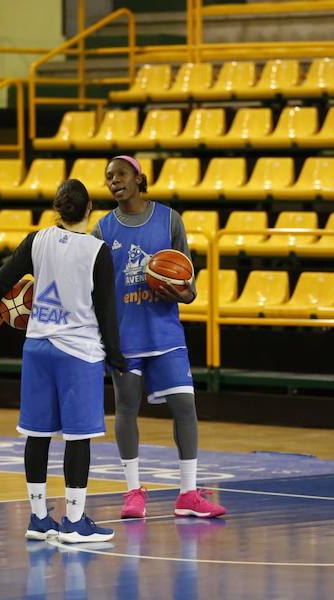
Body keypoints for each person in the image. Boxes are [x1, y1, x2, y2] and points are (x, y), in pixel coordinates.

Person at [0, 179, 126, 544]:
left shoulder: (37, 240)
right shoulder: (96, 250)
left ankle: (38, 518)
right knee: (78, 437)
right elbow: (106, 311)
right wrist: (116, 357)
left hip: (37, 347)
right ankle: (75, 521)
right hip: (78, 352)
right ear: (89, 208)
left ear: (57, 208)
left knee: (37, 434)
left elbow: (1, 280)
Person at [91, 155, 226, 519]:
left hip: (165, 334)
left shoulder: (169, 219)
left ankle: (188, 494)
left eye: (121, 174)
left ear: (139, 178)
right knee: (126, 408)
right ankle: (133, 491)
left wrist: (180, 292)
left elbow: (190, 288)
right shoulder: (102, 230)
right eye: (109, 177)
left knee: (185, 408)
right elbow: (94, 289)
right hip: (125, 336)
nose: (114, 181)